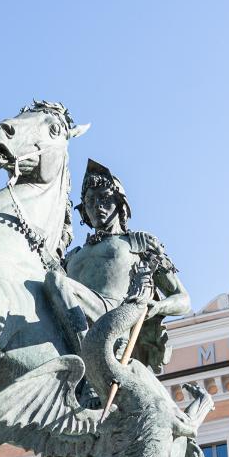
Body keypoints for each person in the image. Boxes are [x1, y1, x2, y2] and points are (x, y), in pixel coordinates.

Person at [62, 159, 191, 372]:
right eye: (90, 201)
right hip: (71, 331)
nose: (97, 207)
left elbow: (183, 299)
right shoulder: (72, 256)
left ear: (120, 205)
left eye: (104, 199)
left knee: (57, 282)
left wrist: (157, 307)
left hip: (110, 325)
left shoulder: (139, 244)